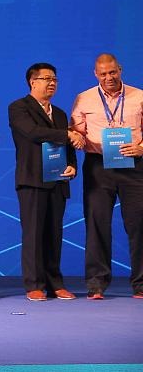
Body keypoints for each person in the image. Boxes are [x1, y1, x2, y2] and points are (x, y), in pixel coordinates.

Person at [70, 53, 143, 299]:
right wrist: (76, 137)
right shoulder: (84, 98)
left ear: (120, 69)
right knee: (96, 223)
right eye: (103, 74)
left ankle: (141, 284)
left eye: (112, 72)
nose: (108, 77)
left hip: (134, 165)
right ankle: (96, 284)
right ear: (95, 74)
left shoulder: (139, 96)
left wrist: (141, 148)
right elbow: (76, 130)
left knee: (138, 224)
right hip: (98, 166)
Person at [8, 62, 80, 301]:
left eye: (55, 79)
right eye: (47, 79)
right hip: (32, 180)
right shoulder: (19, 107)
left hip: (57, 179)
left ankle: (55, 283)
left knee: (54, 234)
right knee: (33, 234)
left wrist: (72, 166)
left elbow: (67, 146)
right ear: (33, 82)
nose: (52, 83)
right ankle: (34, 284)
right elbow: (33, 132)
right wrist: (67, 134)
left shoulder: (59, 113)